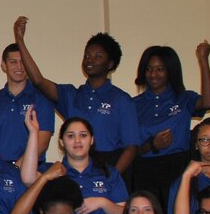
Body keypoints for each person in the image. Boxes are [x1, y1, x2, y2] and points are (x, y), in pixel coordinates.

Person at [14, 16, 139, 175]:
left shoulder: (121, 100)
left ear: (111, 64)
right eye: (87, 55)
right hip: (74, 169)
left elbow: (131, 148)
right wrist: (20, 40)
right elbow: (38, 80)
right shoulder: (71, 95)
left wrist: (112, 178)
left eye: (98, 56)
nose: (90, 60)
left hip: (108, 168)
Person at [131, 43, 210, 209]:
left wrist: (203, 60)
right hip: (145, 171)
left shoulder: (183, 98)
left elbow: (208, 101)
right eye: (149, 69)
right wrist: (152, 145)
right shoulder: (133, 105)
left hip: (177, 167)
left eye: (160, 69)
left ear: (170, 71)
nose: (153, 74)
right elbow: (130, 151)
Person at [50, 116, 128, 214]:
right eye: (70, 136)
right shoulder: (51, 172)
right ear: (61, 142)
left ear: (91, 140)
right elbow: (28, 179)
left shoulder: (108, 172)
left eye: (83, 135)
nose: (77, 141)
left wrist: (102, 203)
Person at [0, 41, 57, 166]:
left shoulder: (42, 99)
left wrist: (18, 167)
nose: (20, 67)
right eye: (13, 62)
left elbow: (43, 142)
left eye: (23, 62)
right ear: (4, 66)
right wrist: (3, 169)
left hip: (34, 168)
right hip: (0, 171)